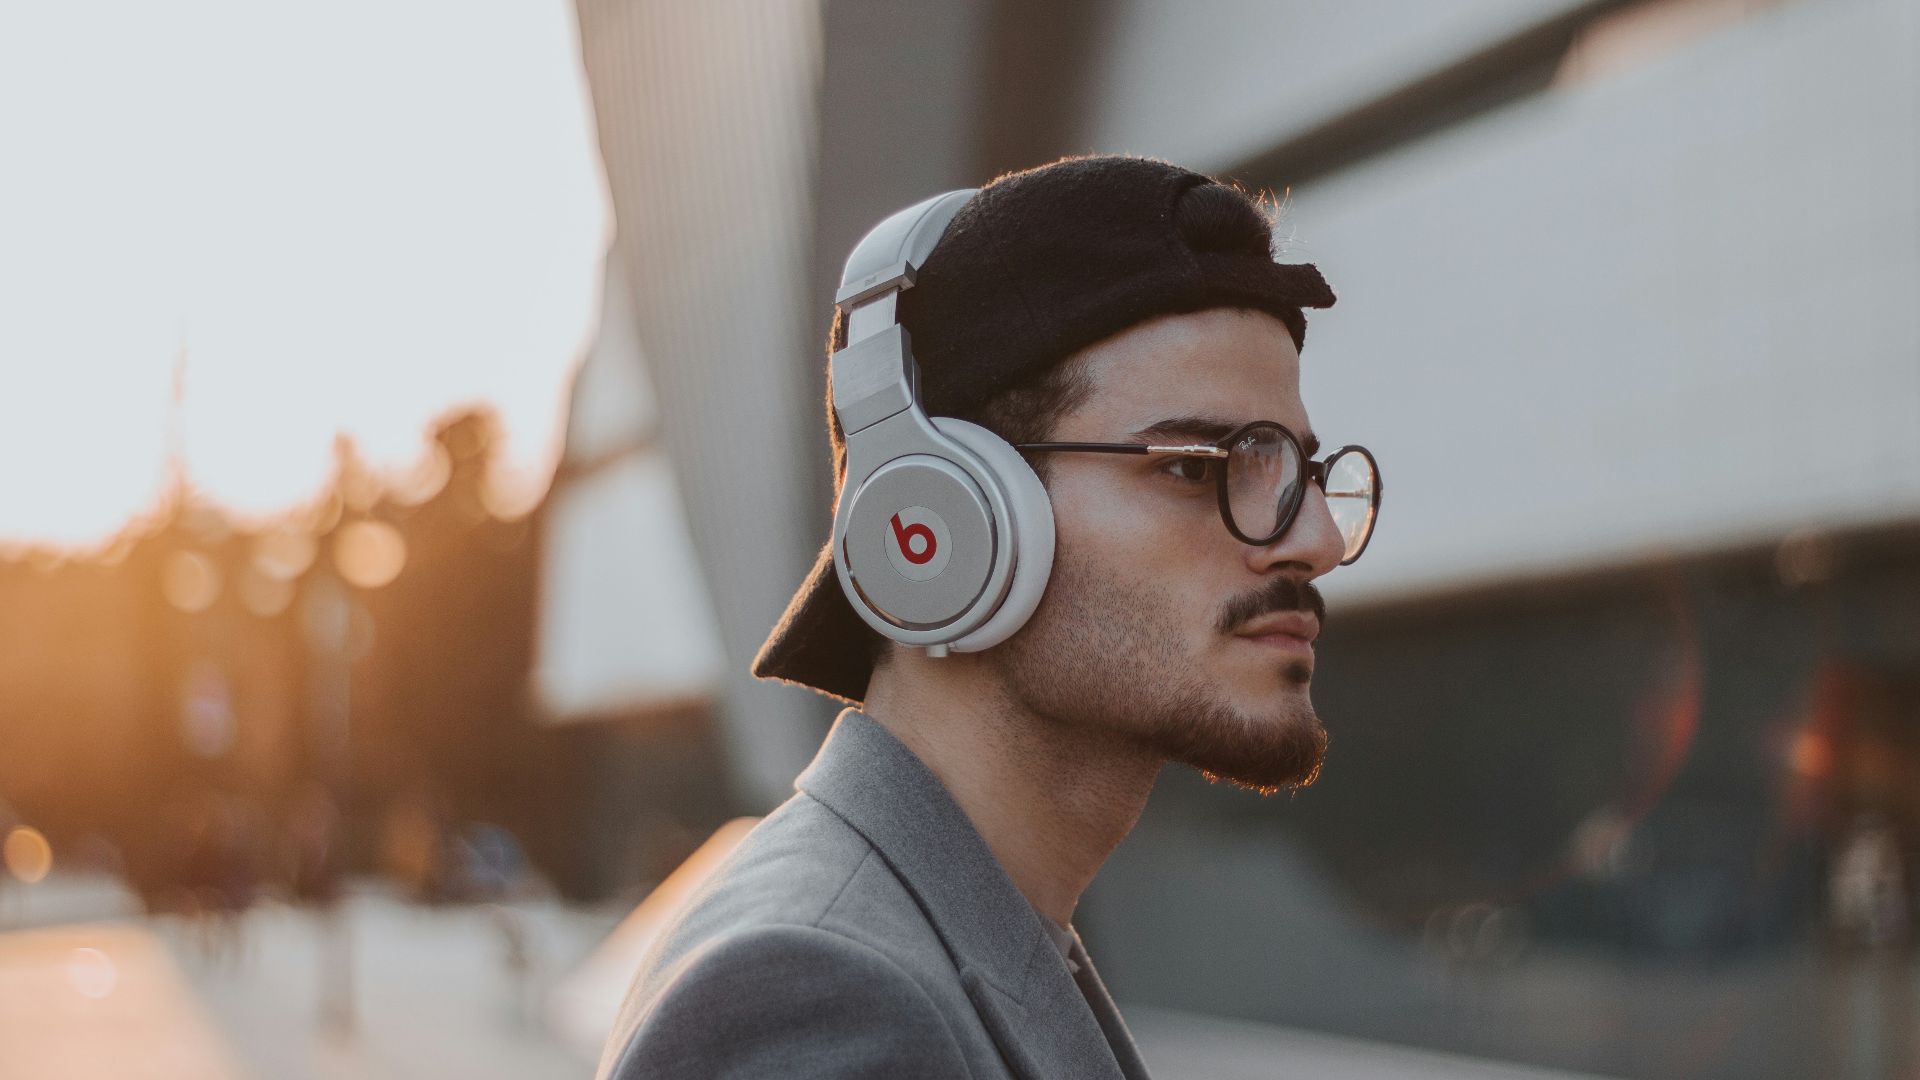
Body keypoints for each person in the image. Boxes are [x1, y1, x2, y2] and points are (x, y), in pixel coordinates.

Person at [598, 154, 1382, 1079]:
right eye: (1202, 465)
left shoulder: (966, 934)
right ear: (945, 522)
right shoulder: (817, 994)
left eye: (1300, 470)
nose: (1319, 540)